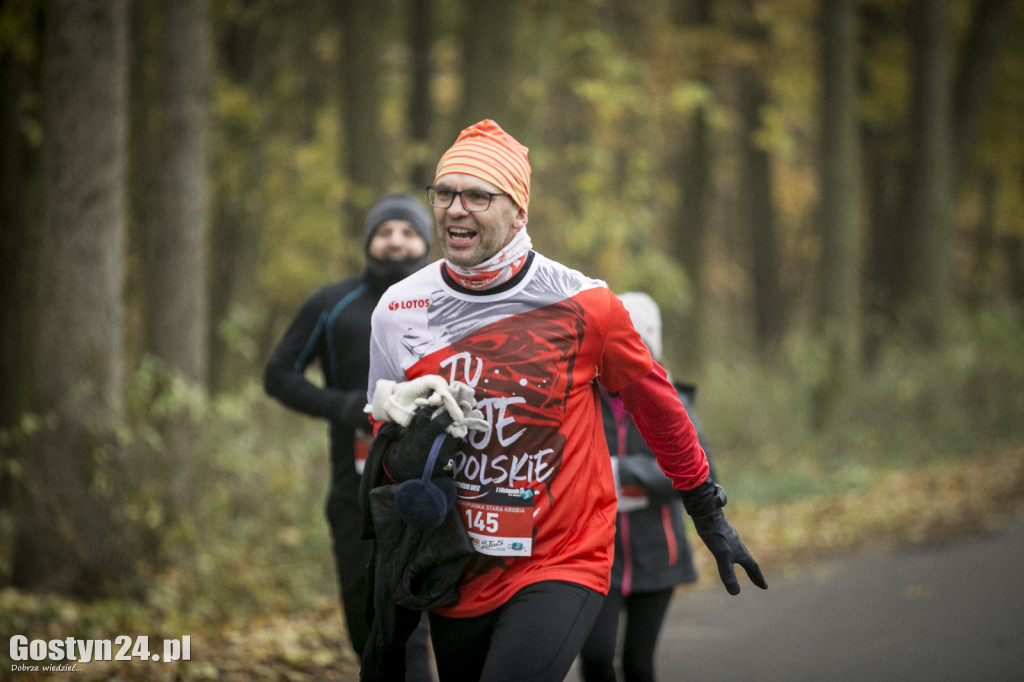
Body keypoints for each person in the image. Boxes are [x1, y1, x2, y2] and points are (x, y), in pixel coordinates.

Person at [365, 120, 766, 682]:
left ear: (520, 211)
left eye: (478, 194)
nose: (455, 208)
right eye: (445, 193)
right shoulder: (398, 310)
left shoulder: (585, 304)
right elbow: (379, 432)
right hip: (458, 560)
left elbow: (658, 405)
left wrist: (706, 507)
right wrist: (407, 444)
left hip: (562, 554)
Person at [264, 194, 436, 681]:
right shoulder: (331, 304)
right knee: (370, 632)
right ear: (369, 241)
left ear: (425, 241)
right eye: (385, 232)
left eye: (408, 232)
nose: (395, 241)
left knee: (416, 631)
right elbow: (279, 374)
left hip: (440, 485)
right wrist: (343, 407)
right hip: (356, 490)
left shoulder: (451, 302)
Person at [578, 292, 714, 682]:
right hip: (595, 557)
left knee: (638, 665)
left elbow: (702, 475)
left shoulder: (671, 402)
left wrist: (625, 472)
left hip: (658, 553)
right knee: (596, 658)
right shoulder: (580, 398)